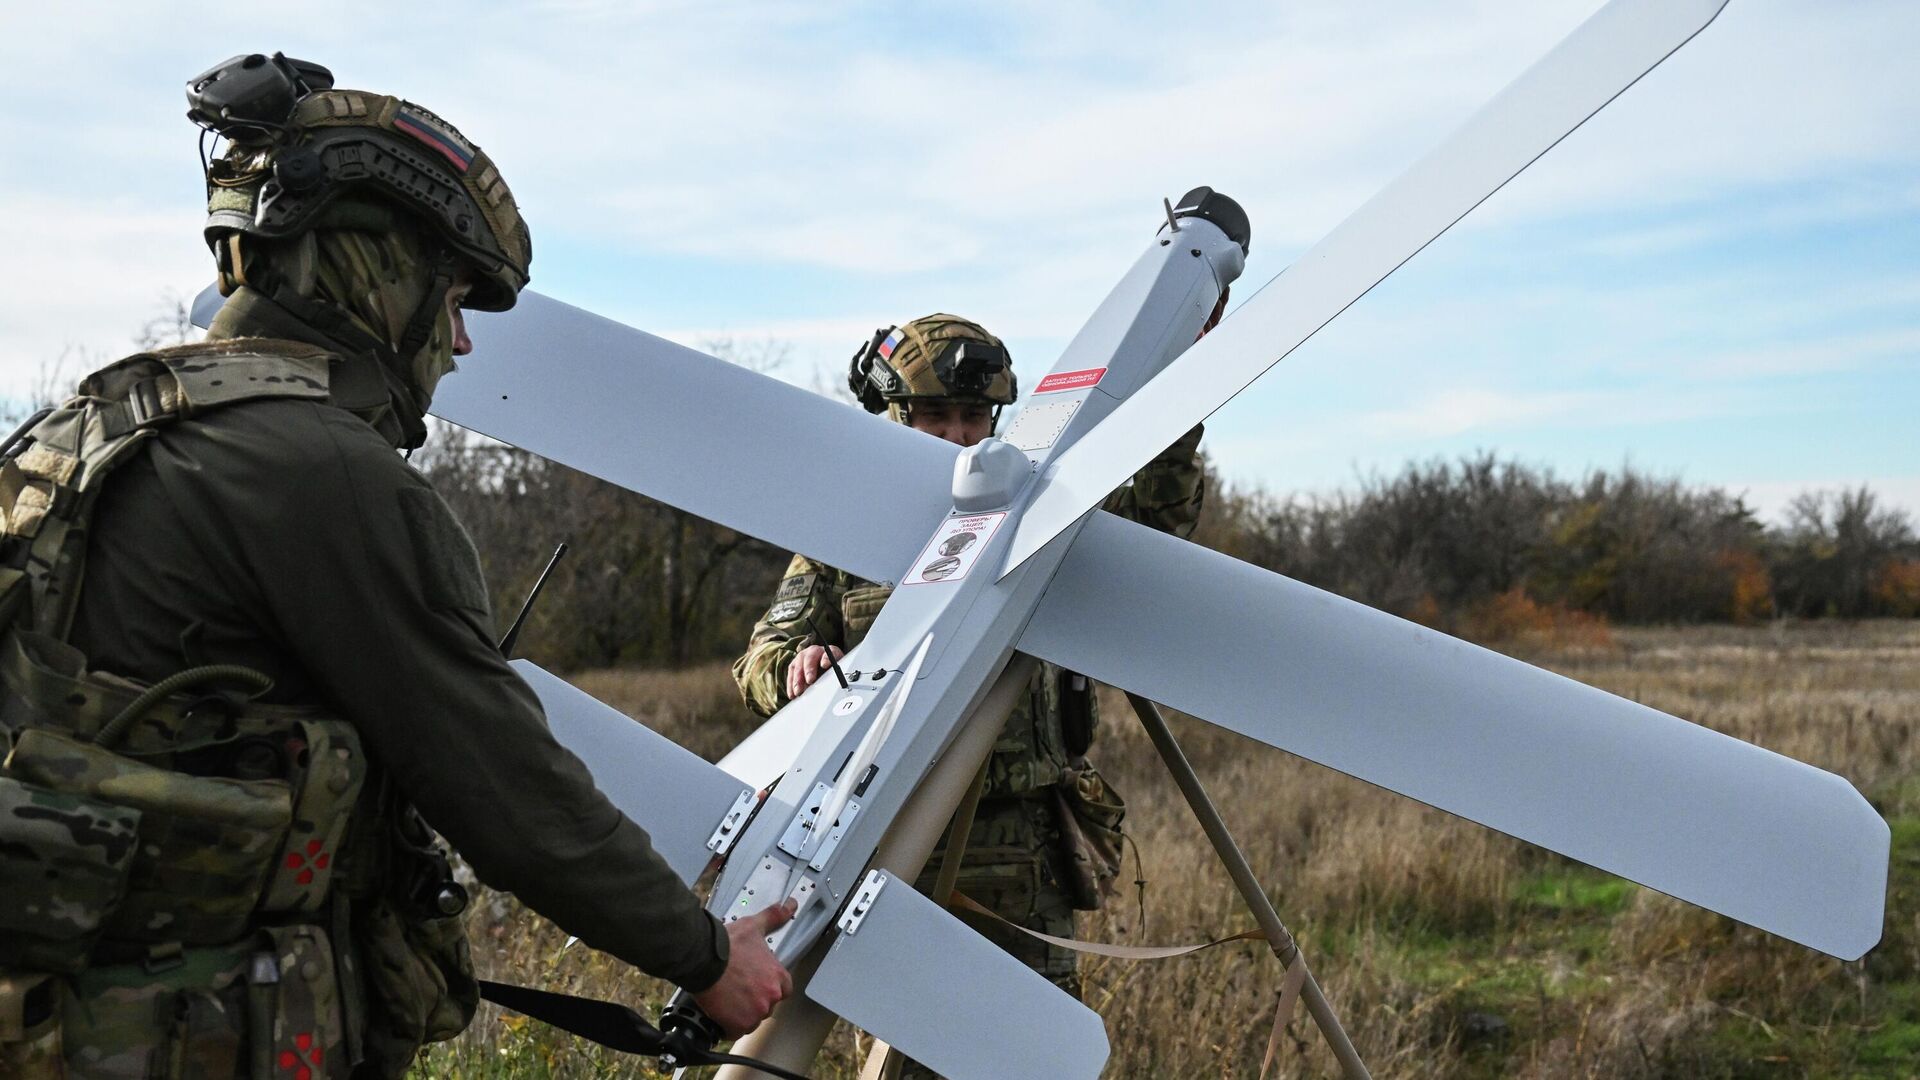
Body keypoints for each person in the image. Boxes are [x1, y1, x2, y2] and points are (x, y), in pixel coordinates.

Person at [0, 54, 788, 1079]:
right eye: (449, 294)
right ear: (367, 266)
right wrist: (707, 957)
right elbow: (505, 787)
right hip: (189, 1033)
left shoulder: (84, 427)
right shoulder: (320, 469)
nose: (458, 341)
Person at [732, 313, 1209, 1074]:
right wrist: (795, 669)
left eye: (973, 416)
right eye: (933, 417)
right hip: (897, 859)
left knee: (1029, 1058)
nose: (957, 436)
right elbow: (766, 651)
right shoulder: (849, 533)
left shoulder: (1049, 515)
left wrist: (1183, 370)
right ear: (892, 418)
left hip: (1028, 864)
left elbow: (1159, 516)